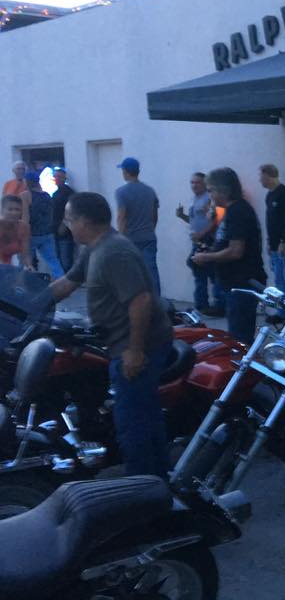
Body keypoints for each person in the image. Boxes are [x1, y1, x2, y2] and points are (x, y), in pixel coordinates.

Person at [48, 192, 172, 477]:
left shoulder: (114, 251)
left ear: (84, 221)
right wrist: (28, 302)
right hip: (120, 343)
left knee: (133, 424)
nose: (67, 225)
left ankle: (143, 492)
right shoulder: (94, 248)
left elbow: (140, 300)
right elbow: (68, 282)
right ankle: (159, 479)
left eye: (69, 219)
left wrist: (135, 350)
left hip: (138, 346)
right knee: (144, 417)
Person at [191, 167, 267, 345]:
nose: (209, 195)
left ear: (223, 190)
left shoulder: (238, 211)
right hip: (233, 285)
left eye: (210, 190)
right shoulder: (230, 211)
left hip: (241, 285)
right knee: (237, 337)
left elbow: (236, 251)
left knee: (239, 341)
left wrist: (206, 258)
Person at [176, 172, 221, 313]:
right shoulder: (196, 198)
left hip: (208, 241)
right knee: (199, 272)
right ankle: (202, 305)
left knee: (211, 273)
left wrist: (202, 234)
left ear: (205, 184)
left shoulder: (209, 199)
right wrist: (182, 215)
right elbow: (194, 220)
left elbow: (216, 221)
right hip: (198, 241)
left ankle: (218, 305)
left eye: (197, 182)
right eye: (192, 182)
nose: (194, 185)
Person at [115, 157, 161, 295]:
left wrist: (120, 240)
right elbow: (154, 215)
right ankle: (156, 301)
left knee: (130, 274)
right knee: (151, 271)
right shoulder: (150, 191)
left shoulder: (121, 192)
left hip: (130, 239)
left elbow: (121, 217)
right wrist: (150, 230)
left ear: (125, 171)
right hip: (148, 237)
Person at [259, 163, 285, 297]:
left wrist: (284, 241)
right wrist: (270, 243)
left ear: (270, 176)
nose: (260, 180)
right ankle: (282, 314)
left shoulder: (284, 194)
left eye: (262, 177)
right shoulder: (269, 196)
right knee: (279, 279)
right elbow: (271, 222)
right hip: (274, 245)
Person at [20, 171, 64, 278]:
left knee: (25, 260)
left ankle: (24, 285)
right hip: (47, 233)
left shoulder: (25, 195)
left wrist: (22, 234)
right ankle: (61, 281)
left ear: (26, 182)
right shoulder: (47, 195)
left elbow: (25, 217)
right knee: (53, 261)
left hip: (31, 234)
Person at [51, 166, 76, 272]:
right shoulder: (55, 193)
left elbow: (71, 210)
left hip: (65, 232)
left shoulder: (69, 193)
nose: (56, 179)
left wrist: (64, 224)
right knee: (58, 259)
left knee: (66, 261)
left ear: (64, 178)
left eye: (59, 177)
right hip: (54, 231)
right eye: (55, 177)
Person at [0, 195, 30, 266]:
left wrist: (29, 266)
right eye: (10, 209)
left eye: (17, 209)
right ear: (2, 210)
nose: (14, 213)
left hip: (6, 263)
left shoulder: (23, 227)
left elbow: (25, 254)